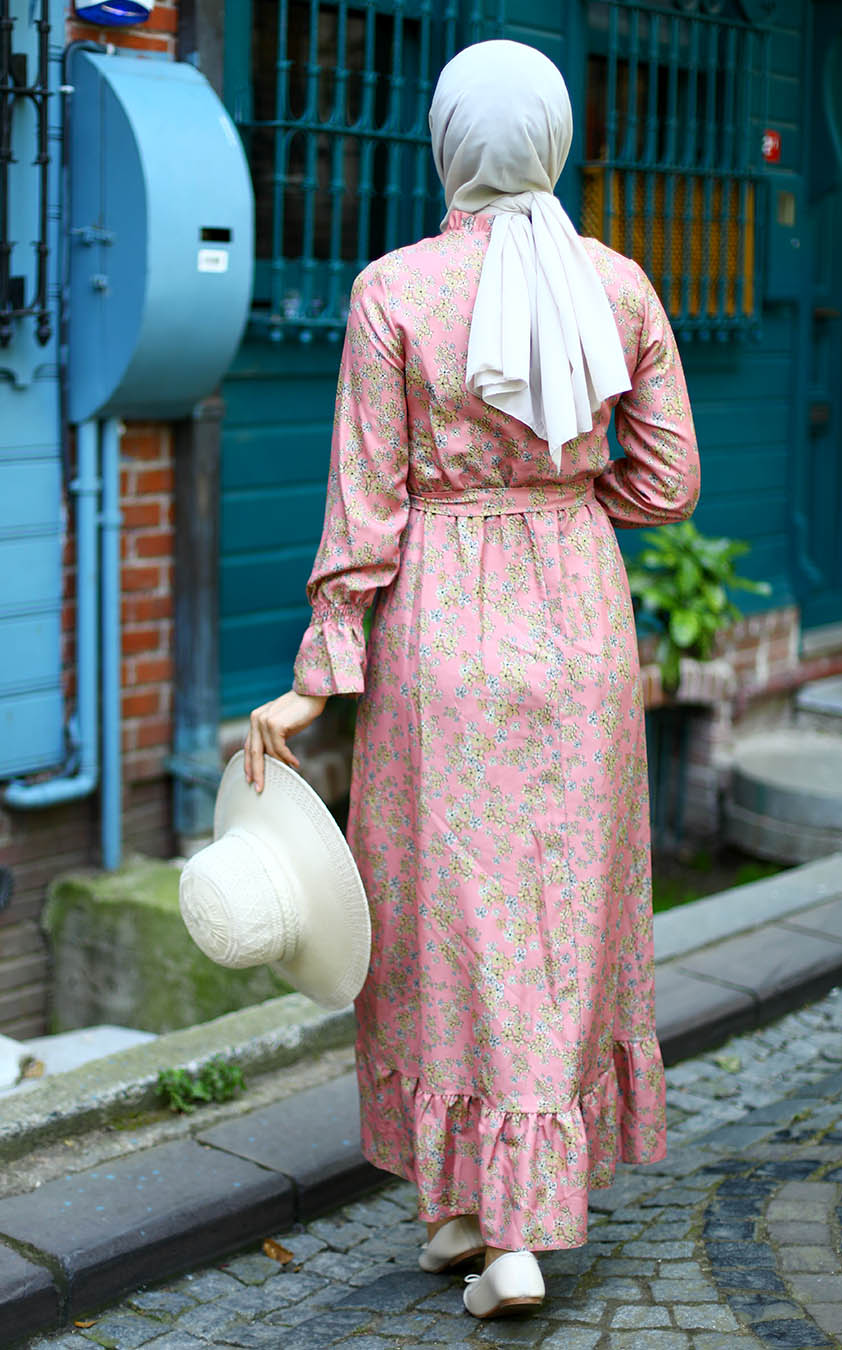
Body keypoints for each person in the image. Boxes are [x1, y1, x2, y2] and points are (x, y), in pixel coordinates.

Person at [243, 39, 699, 1320]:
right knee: (561, 914)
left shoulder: (395, 289)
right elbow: (668, 482)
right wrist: (560, 500)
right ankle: (509, 1224)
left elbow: (364, 508)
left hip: (446, 626)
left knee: (442, 909)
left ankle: (473, 1220)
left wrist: (317, 682)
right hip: (580, 620)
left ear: (450, 141)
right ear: (552, 139)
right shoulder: (616, 288)